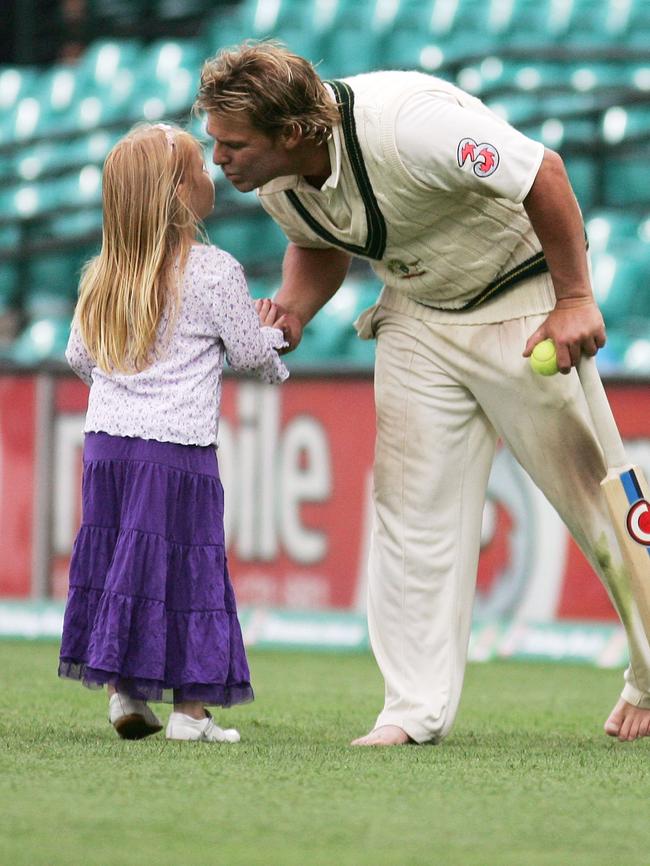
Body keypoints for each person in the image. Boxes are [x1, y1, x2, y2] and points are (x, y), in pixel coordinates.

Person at [195, 41, 650, 747]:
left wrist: (577, 298)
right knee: (409, 509)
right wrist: (294, 308)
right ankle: (411, 709)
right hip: (417, 314)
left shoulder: (410, 124)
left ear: (290, 132)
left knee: (601, 503)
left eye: (232, 144)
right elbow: (322, 237)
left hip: (521, 302)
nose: (217, 158)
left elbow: (543, 172)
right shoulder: (280, 175)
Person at [58, 122, 289, 742]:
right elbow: (248, 353)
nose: (211, 172)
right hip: (178, 449)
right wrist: (276, 337)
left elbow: (80, 357)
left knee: (118, 563)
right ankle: (192, 711)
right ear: (178, 194)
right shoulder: (213, 270)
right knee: (190, 571)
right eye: (198, 168)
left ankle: (125, 694)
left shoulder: (104, 272)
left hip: (107, 446)